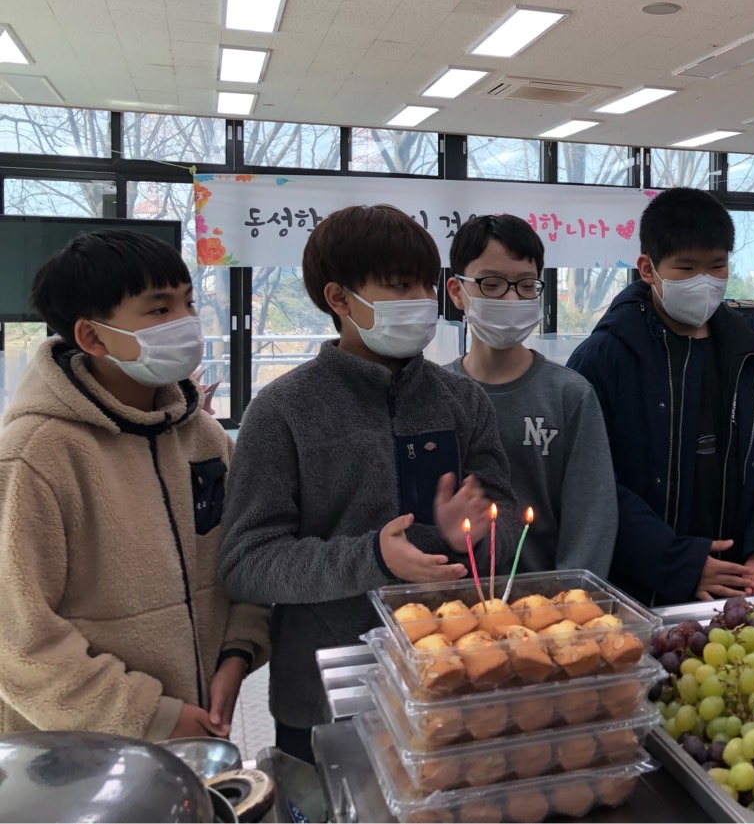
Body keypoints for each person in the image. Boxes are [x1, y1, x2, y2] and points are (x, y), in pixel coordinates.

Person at [218, 204, 518, 763]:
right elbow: (247, 561)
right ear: (339, 298)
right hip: (325, 696)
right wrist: (374, 557)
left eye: (427, 285)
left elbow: (502, 522)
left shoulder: (462, 399)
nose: (423, 301)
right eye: (401, 286)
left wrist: (471, 533)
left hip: (451, 678)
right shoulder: (282, 411)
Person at [0, 230, 268, 739]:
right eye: (160, 309)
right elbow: (17, 642)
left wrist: (239, 650)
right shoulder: (35, 455)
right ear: (92, 337)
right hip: (78, 754)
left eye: (188, 303)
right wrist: (151, 715)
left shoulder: (204, 436)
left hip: (195, 735)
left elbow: (244, 556)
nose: (186, 322)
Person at [567, 188, 754, 605]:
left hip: (739, 582)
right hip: (639, 590)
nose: (704, 282)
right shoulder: (604, 358)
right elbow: (592, 483)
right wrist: (679, 563)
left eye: (717, 267)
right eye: (686, 268)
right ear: (647, 268)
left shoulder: (751, 354)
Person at [444, 214, 618, 577]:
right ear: (457, 292)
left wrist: (569, 599)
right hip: (453, 601)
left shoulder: (569, 395)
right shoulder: (435, 395)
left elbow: (591, 520)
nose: (511, 297)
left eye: (526, 285)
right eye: (492, 284)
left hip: (549, 602)